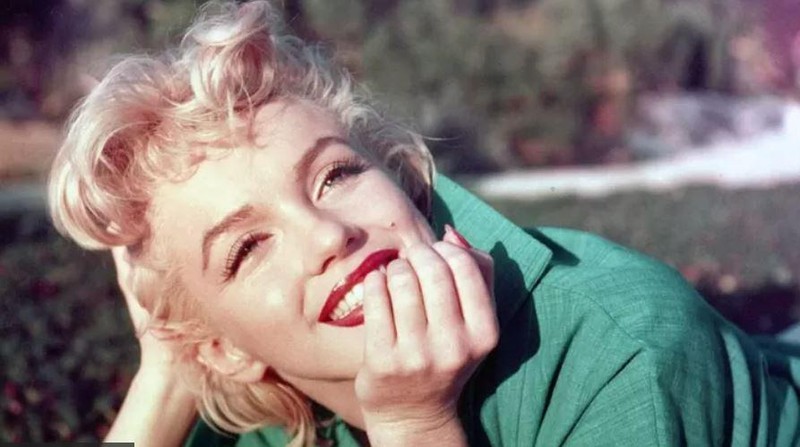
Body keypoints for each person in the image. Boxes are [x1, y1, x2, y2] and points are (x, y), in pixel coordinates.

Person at [47, 1, 800, 446]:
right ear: (227, 349)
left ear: (400, 178)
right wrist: (169, 374)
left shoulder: (625, 358)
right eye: (247, 247)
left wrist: (415, 425)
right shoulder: (269, 391)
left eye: (335, 175)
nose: (328, 234)